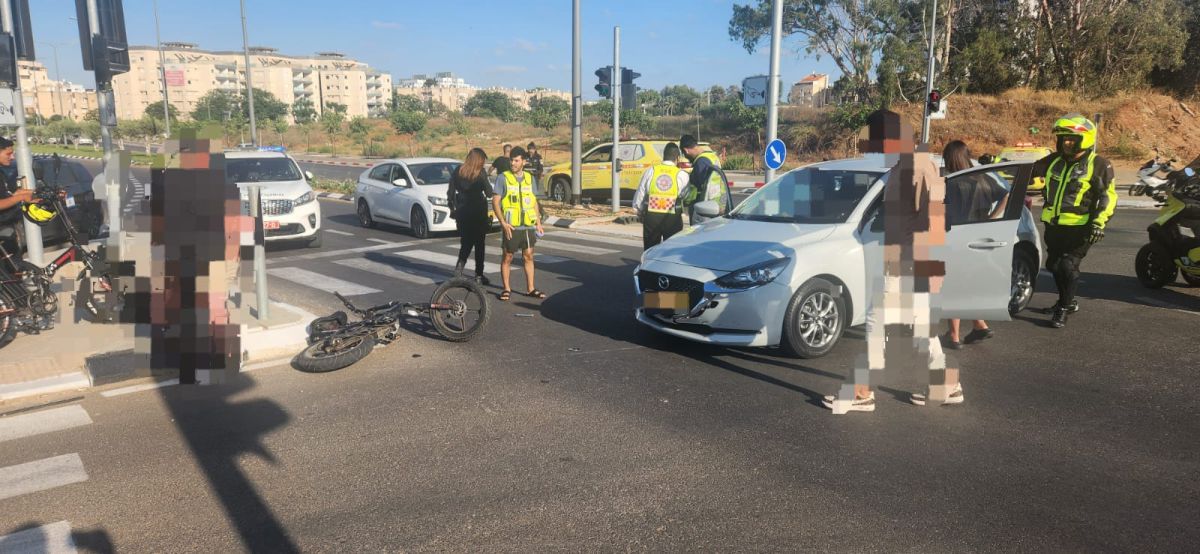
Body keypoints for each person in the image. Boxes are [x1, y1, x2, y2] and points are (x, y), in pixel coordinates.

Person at [823, 110, 958, 414]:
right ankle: (947, 384)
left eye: (875, 141)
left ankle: (862, 392)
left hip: (910, 258)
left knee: (876, 319)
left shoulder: (918, 166)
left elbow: (935, 215)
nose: (873, 148)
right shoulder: (903, 165)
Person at [1031, 114, 1117, 328]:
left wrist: (1099, 223)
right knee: (1053, 265)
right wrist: (994, 165)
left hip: (1080, 227)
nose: (1066, 143)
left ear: (1085, 139)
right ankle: (1066, 301)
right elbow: (1028, 171)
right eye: (1063, 139)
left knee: (1067, 267)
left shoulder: (1098, 165)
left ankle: (1063, 310)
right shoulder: (1054, 161)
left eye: (1071, 139)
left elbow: (1109, 197)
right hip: (1054, 224)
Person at [941, 139, 1008, 349]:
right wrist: (993, 218)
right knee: (966, 284)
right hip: (980, 238)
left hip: (957, 238)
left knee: (953, 287)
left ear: (950, 159)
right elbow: (1006, 194)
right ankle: (979, 325)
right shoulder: (983, 178)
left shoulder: (951, 182)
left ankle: (953, 336)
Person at [491, 146, 546, 301]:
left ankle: (530, 289)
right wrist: (503, 223)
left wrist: (538, 222)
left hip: (528, 224)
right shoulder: (503, 177)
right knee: (507, 256)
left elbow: (534, 202)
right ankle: (506, 289)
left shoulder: (529, 178)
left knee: (528, 255)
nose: (513, 163)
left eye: (516, 160)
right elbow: (496, 201)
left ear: (523, 161)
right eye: (511, 160)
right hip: (512, 225)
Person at [448, 148, 495, 285]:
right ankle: (479, 275)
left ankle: (459, 269)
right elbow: (489, 192)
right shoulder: (480, 173)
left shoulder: (458, 170)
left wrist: (453, 209)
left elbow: (450, 192)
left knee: (466, 242)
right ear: (479, 161)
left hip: (462, 212)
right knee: (479, 244)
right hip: (478, 212)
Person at [633, 142, 691, 249]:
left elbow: (640, 195)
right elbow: (686, 196)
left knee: (650, 251)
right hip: (672, 219)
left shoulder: (651, 171)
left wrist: (639, 212)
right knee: (671, 251)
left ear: (663, 156)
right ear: (678, 158)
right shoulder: (681, 174)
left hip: (652, 219)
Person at [678, 134, 732, 224]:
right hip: (720, 202)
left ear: (686, 150)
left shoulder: (700, 162)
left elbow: (699, 188)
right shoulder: (712, 156)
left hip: (706, 207)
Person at [0, 137, 34, 257]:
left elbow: (9, 195)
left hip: (8, 226)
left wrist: (34, 193)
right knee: (11, 268)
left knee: (14, 266)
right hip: (3, 229)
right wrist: (21, 197)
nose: (12, 157)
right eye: (8, 154)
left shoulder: (1, 172)